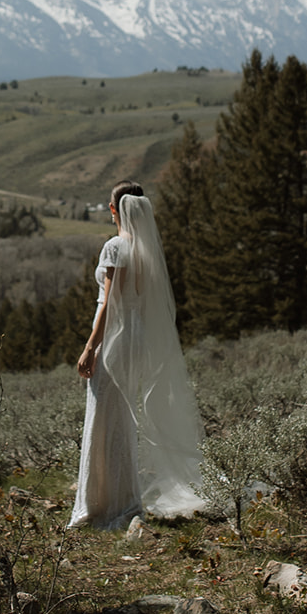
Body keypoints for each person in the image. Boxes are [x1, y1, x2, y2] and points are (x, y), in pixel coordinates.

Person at [68, 180, 202, 530]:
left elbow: (110, 306)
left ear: (114, 209)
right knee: (121, 417)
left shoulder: (115, 247)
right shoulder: (146, 251)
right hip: (137, 338)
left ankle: (103, 503)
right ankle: (123, 497)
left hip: (115, 337)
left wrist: (89, 348)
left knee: (104, 415)